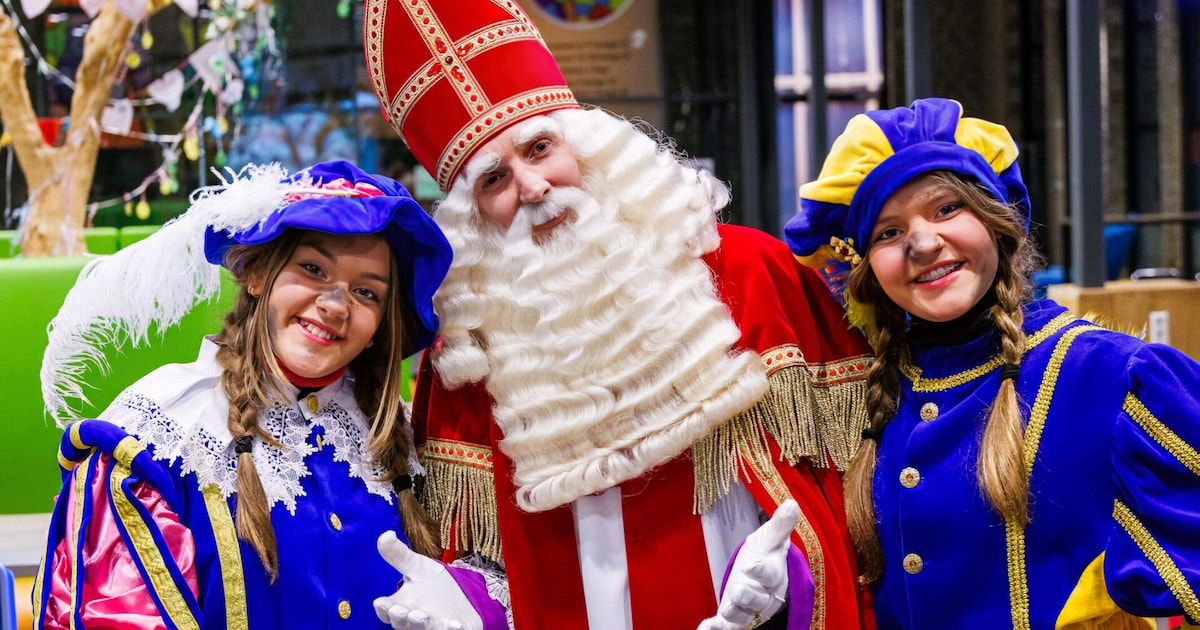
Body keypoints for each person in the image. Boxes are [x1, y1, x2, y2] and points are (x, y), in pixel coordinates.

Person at [362, 2, 876, 629]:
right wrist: (467, 606)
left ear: (588, 147)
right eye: (494, 178)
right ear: (473, 216)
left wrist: (789, 580)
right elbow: (485, 561)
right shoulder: (468, 361)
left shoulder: (751, 271)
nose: (532, 187)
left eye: (540, 148)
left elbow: (855, 486)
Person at [783, 97, 1200, 629]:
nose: (923, 243)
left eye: (946, 209)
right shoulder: (866, 394)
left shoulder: (1111, 377)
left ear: (998, 223)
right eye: (888, 232)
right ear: (866, 269)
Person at [33, 160, 453, 628]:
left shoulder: (406, 437)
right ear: (257, 275)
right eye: (312, 269)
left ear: (379, 327)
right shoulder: (158, 440)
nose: (336, 305)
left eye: (367, 293)